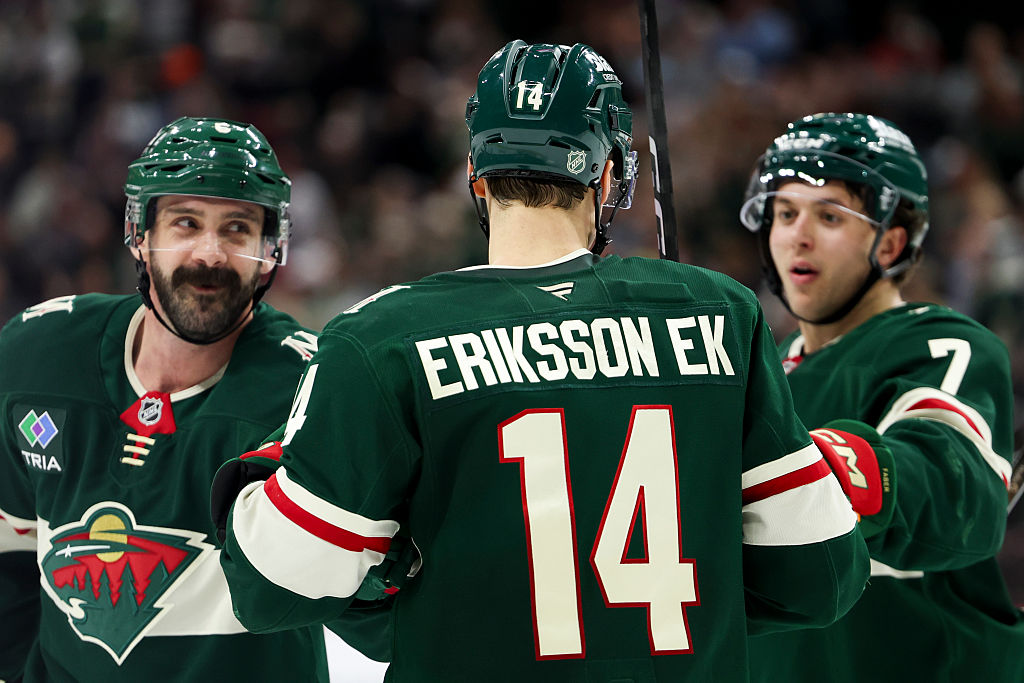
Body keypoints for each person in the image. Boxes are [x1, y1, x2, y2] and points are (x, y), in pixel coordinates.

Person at [212, 42, 870, 682]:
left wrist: (257, 477)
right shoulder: (719, 311)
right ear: (607, 177)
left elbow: (275, 585)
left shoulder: (383, 337)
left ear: (476, 177)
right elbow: (821, 574)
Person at [0, 116, 347, 682]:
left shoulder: (313, 385)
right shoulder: (37, 355)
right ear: (140, 233)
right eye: (186, 222)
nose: (209, 252)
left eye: (236, 229)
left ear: (271, 247)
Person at [739, 112, 1024, 682]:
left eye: (829, 215)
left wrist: (839, 469)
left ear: (892, 240)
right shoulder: (761, 370)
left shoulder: (941, 345)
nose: (798, 233)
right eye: (786, 213)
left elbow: (952, 485)